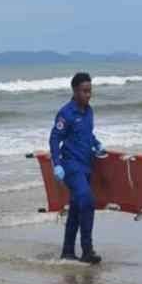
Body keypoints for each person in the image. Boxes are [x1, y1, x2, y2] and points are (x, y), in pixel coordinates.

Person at [49, 72, 106, 264]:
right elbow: (54, 139)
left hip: (86, 165)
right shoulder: (66, 113)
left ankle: (67, 251)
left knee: (76, 208)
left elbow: (88, 134)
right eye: (84, 91)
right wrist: (57, 164)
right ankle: (87, 250)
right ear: (75, 91)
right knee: (87, 201)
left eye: (90, 91)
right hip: (71, 166)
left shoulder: (89, 111)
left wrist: (97, 144)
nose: (88, 95)